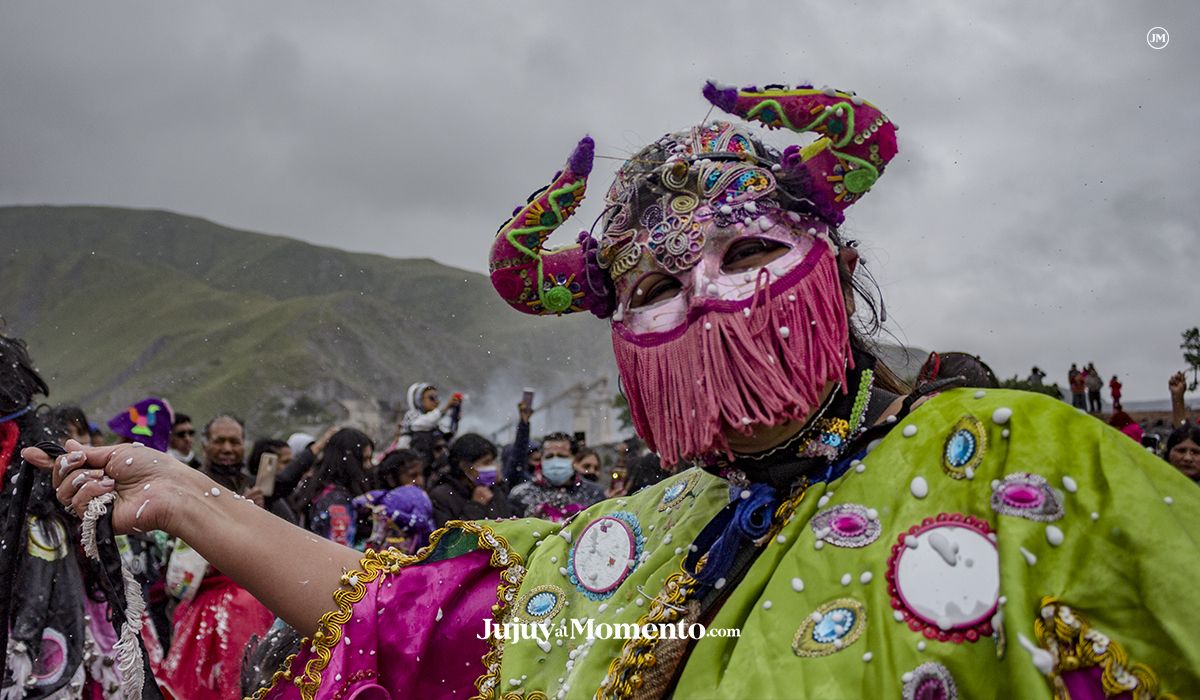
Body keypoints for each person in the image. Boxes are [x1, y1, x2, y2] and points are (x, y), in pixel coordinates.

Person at [27, 81, 1200, 698]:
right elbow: (411, 621)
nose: (709, 303)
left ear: (834, 270)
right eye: (652, 286)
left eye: (747, 256)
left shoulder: (1019, 455)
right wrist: (192, 501)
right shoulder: (643, 539)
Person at [157, 413, 275, 698]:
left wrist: (261, 515)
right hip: (203, 604)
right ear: (205, 444)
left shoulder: (257, 488)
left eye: (234, 441)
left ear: (244, 444)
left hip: (255, 602)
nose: (227, 448)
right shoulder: (188, 483)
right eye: (219, 441)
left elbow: (280, 542)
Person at [291, 428, 374, 546]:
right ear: (350, 461)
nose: (369, 466)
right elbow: (340, 547)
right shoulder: (337, 500)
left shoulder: (317, 486)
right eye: (364, 459)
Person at [508, 432, 606, 521]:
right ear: (541, 459)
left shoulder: (594, 494)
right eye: (549, 456)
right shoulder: (521, 495)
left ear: (575, 459)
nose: (555, 461)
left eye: (562, 456)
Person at [427, 433, 515, 526]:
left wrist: (499, 488)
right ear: (465, 467)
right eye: (486, 463)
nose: (493, 467)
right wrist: (476, 506)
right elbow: (450, 537)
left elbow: (507, 523)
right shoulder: (442, 497)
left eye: (493, 462)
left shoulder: (493, 488)